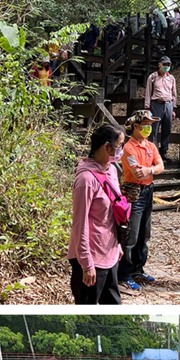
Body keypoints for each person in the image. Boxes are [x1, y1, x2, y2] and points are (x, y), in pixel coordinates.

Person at [68, 123, 126, 305]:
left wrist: (118, 245)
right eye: (120, 145)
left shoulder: (112, 170)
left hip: (111, 253)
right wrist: (86, 263)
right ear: (106, 147)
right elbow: (80, 223)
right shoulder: (86, 180)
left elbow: (111, 215)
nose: (122, 150)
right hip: (92, 258)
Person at [117, 110, 164, 294]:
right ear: (136, 126)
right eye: (146, 123)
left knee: (145, 234)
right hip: (133, 193)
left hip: (148, 191)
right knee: (131, 235)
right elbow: (137, 172)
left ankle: (138, 269)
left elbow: (161, 166)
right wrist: (151, 169)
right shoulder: (128, 148)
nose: (149, 127)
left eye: (151, 124)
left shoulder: (151, 146)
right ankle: (124, 275)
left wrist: (149, 170)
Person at [144, 56, 177, 157]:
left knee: (167, 129)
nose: (166, 66)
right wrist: (147, 108)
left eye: (168, 64)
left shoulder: (171, 78)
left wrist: (174, 108)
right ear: (159, 64)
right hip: (156, 104)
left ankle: (164, 151)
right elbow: (148, 93)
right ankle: (153, 153)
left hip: (168, 105)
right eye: (165, 64)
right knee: (154, 129)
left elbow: (174, 94)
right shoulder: (153, 77)